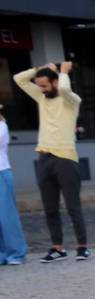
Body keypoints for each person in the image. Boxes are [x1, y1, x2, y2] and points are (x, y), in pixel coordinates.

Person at [12, 62, 87, 262]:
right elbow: (18, 79)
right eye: (39, 86)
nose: (41, 90)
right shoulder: (41, 97)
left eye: (45, 85)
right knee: (50, 207)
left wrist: (62, 72)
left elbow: (64, 88)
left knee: (73, 206)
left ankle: (82, 246)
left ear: (55, 81)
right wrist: (38, 69)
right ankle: (57, 247)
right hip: (44, 157)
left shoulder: (71, 100)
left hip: (66, 158)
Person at [0, 105, 27, 264]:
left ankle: (16, 253)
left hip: (1, 172)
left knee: (7, 216)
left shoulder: (2, 126)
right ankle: (2, 254)